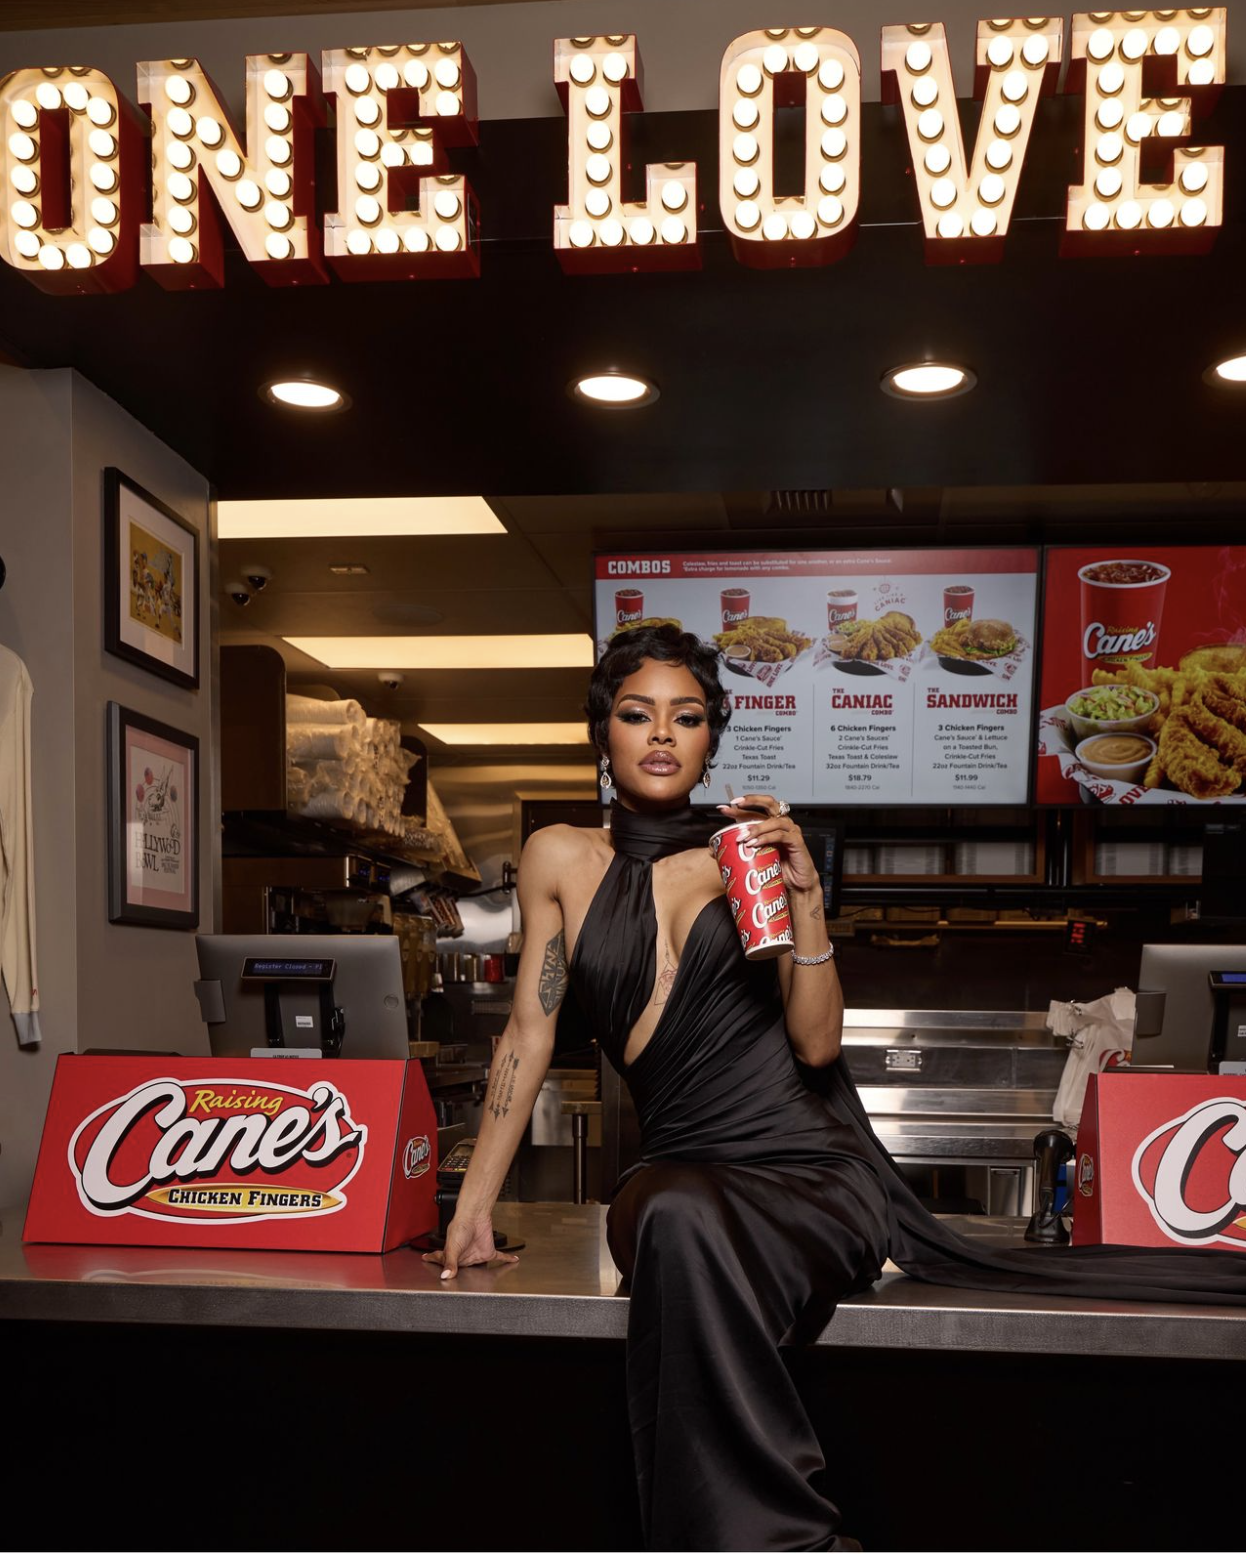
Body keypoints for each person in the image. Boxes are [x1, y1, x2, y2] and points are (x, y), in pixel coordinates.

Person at [424, 625, 1246, 1553]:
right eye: (636, 714)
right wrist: (474, 1206)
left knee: (683, 1224)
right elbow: (530, 1030)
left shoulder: (751, 852)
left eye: (686, 718)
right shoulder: (558, 859)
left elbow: (816, 1047)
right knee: (669, 1213)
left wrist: (808, 899)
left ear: (710, 738)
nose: (661, 735)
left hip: (810, 1168)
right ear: (602, 734)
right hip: (683, 1165)